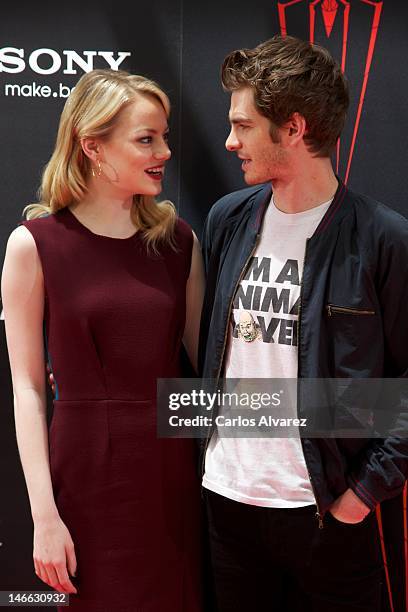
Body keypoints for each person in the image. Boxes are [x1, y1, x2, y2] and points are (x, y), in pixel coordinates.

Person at [198, 35, 408, 611]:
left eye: (243, 125)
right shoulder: (228, 219)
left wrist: (362, 495)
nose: (230, 140)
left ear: (292, 128)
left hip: (327, 512)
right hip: (227, 503)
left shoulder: (383, 238)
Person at [1, 69, 205, 611]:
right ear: (92, 145)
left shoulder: (180, 243)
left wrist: (352, 413)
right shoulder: (34, 245)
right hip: (86, 479)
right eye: (146, 139)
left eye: (164, 137)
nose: (163, 150)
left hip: (174, 478)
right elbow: (27, 388)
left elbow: (211, 369)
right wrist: (44, 516)